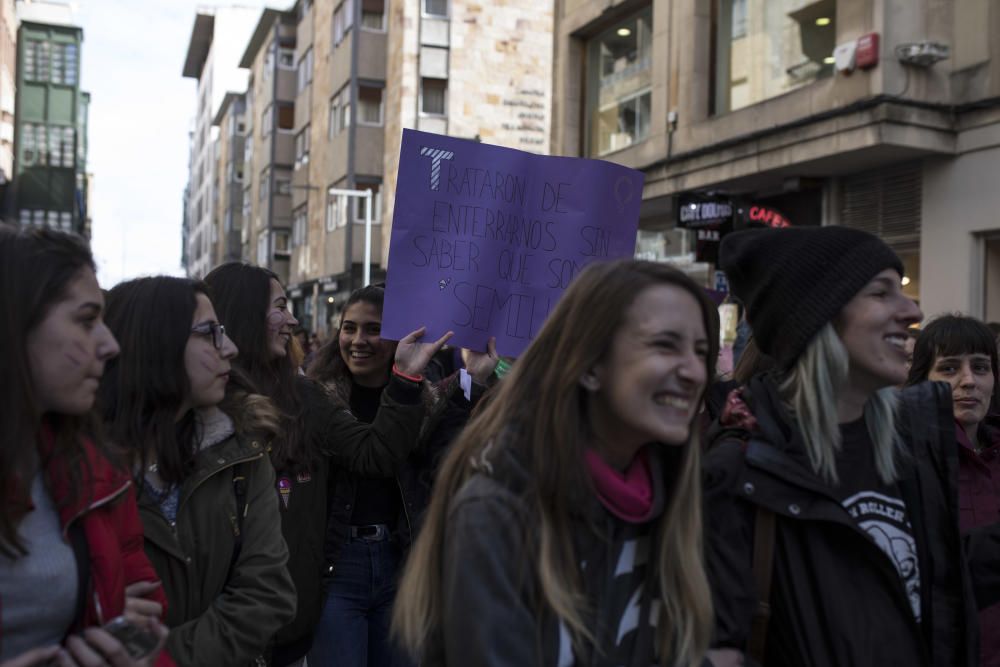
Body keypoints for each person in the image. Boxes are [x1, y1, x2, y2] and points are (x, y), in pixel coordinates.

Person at [394, 259, 719, 667]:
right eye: (665, 345)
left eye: (701, 351)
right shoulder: (497, 511)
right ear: (590, 366)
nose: (693, 371)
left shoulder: (673, 502)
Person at [704, 226, 997, 666]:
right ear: (816, 319)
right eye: (881, 294)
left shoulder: (908, 456)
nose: (912, 310)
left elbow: (930, 589)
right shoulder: (737, 476)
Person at [204, 263, 451, 667]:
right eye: (280, 307)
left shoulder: (303, 396)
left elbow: (375, 453)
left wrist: (405, 378)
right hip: (215, 624)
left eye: (372, 330)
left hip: (288, 622)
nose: (293, 319)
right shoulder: (199, 401)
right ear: (245, 315)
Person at [99, 276, 297, 666]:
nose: (230, 348)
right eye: (209, 334)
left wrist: (162, 659)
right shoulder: (80, 470)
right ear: (156, 343)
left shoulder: (243, 451)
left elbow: (267, 594)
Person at [0, 227, 168, 667]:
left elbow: (148, 606)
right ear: (14, 322)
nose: (110, 345)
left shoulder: (86, 469)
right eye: (86, 320)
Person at [305, 284, 495, 667]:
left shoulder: (425, 399)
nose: (358, 340)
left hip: (399, 565)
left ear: (401, 337)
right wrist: (406, 383)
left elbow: (447, 451)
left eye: (373, 329)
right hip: (336, 569)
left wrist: (474, 379)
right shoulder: (318, 397)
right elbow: (375, 453)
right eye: (349, 328)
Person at [907, 314, 1000, 666]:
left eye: (980, 367)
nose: (968, 381)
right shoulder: (904, 463)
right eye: (948, 369)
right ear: (921, 381)